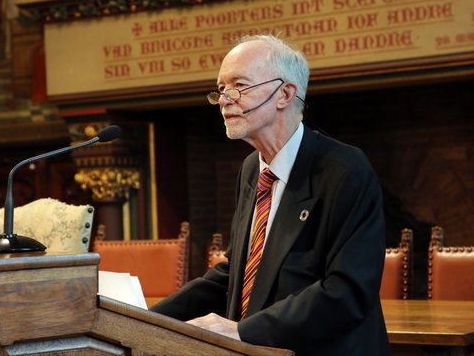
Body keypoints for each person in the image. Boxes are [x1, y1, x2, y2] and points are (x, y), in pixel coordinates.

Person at [150, 34, 390, 356]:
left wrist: (242, 331)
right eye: (221, 89)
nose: (224, 99)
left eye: (239, 86)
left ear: (285, 94)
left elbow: (347, 291)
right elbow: (236, 272)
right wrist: (148, 318)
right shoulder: (252, 169)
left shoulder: (345, 171)